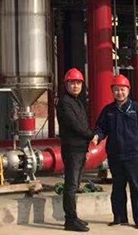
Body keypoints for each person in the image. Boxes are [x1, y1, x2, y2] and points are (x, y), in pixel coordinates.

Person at [92, 74, 138, 230]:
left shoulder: (137, 109)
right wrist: (97, 136)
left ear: (128, 90)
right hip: (115, 156)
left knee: (137, 189)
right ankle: (119, 217)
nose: (119, 93)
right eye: (116, 90)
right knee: (118, 189)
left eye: (122, 89)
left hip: (134, 156)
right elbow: (101, 127)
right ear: (112, 91)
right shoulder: (108, 111)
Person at [57, 68, 94, 232]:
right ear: (66, 84)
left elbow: (82, 122)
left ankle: (74, 216)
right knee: (71, 185)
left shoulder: (77, 102)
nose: (76, 86)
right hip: (72, 149)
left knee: (76, 184)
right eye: (72, 83)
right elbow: (75, 125)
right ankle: (70, 220)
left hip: (80, 149)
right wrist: (91, 135)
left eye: (78, 83)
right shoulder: (65, 102)